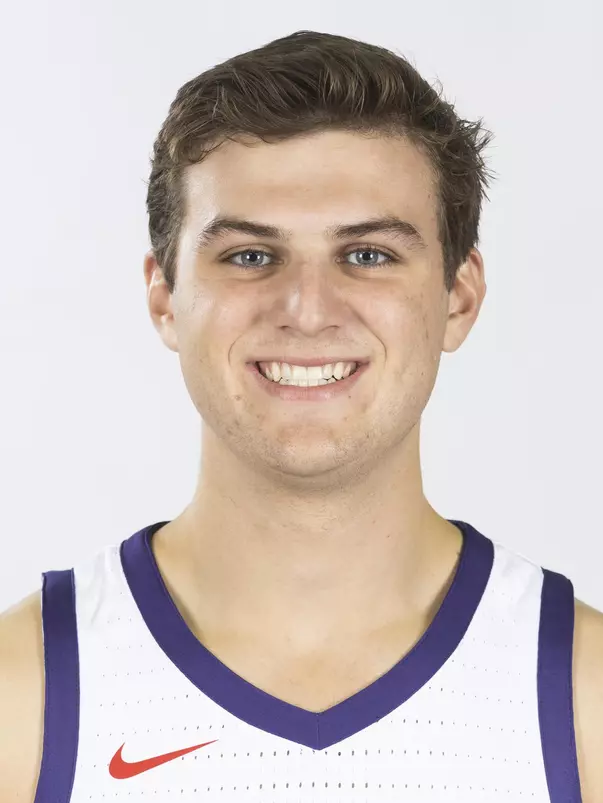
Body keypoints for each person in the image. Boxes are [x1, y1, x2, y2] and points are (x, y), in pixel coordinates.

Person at [1, 29, 601, 803]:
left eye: (368, 254)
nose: (307, 310)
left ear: (458, 295)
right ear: (165, 298)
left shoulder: (582, 701)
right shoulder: (26, 701)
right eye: (250, 255)